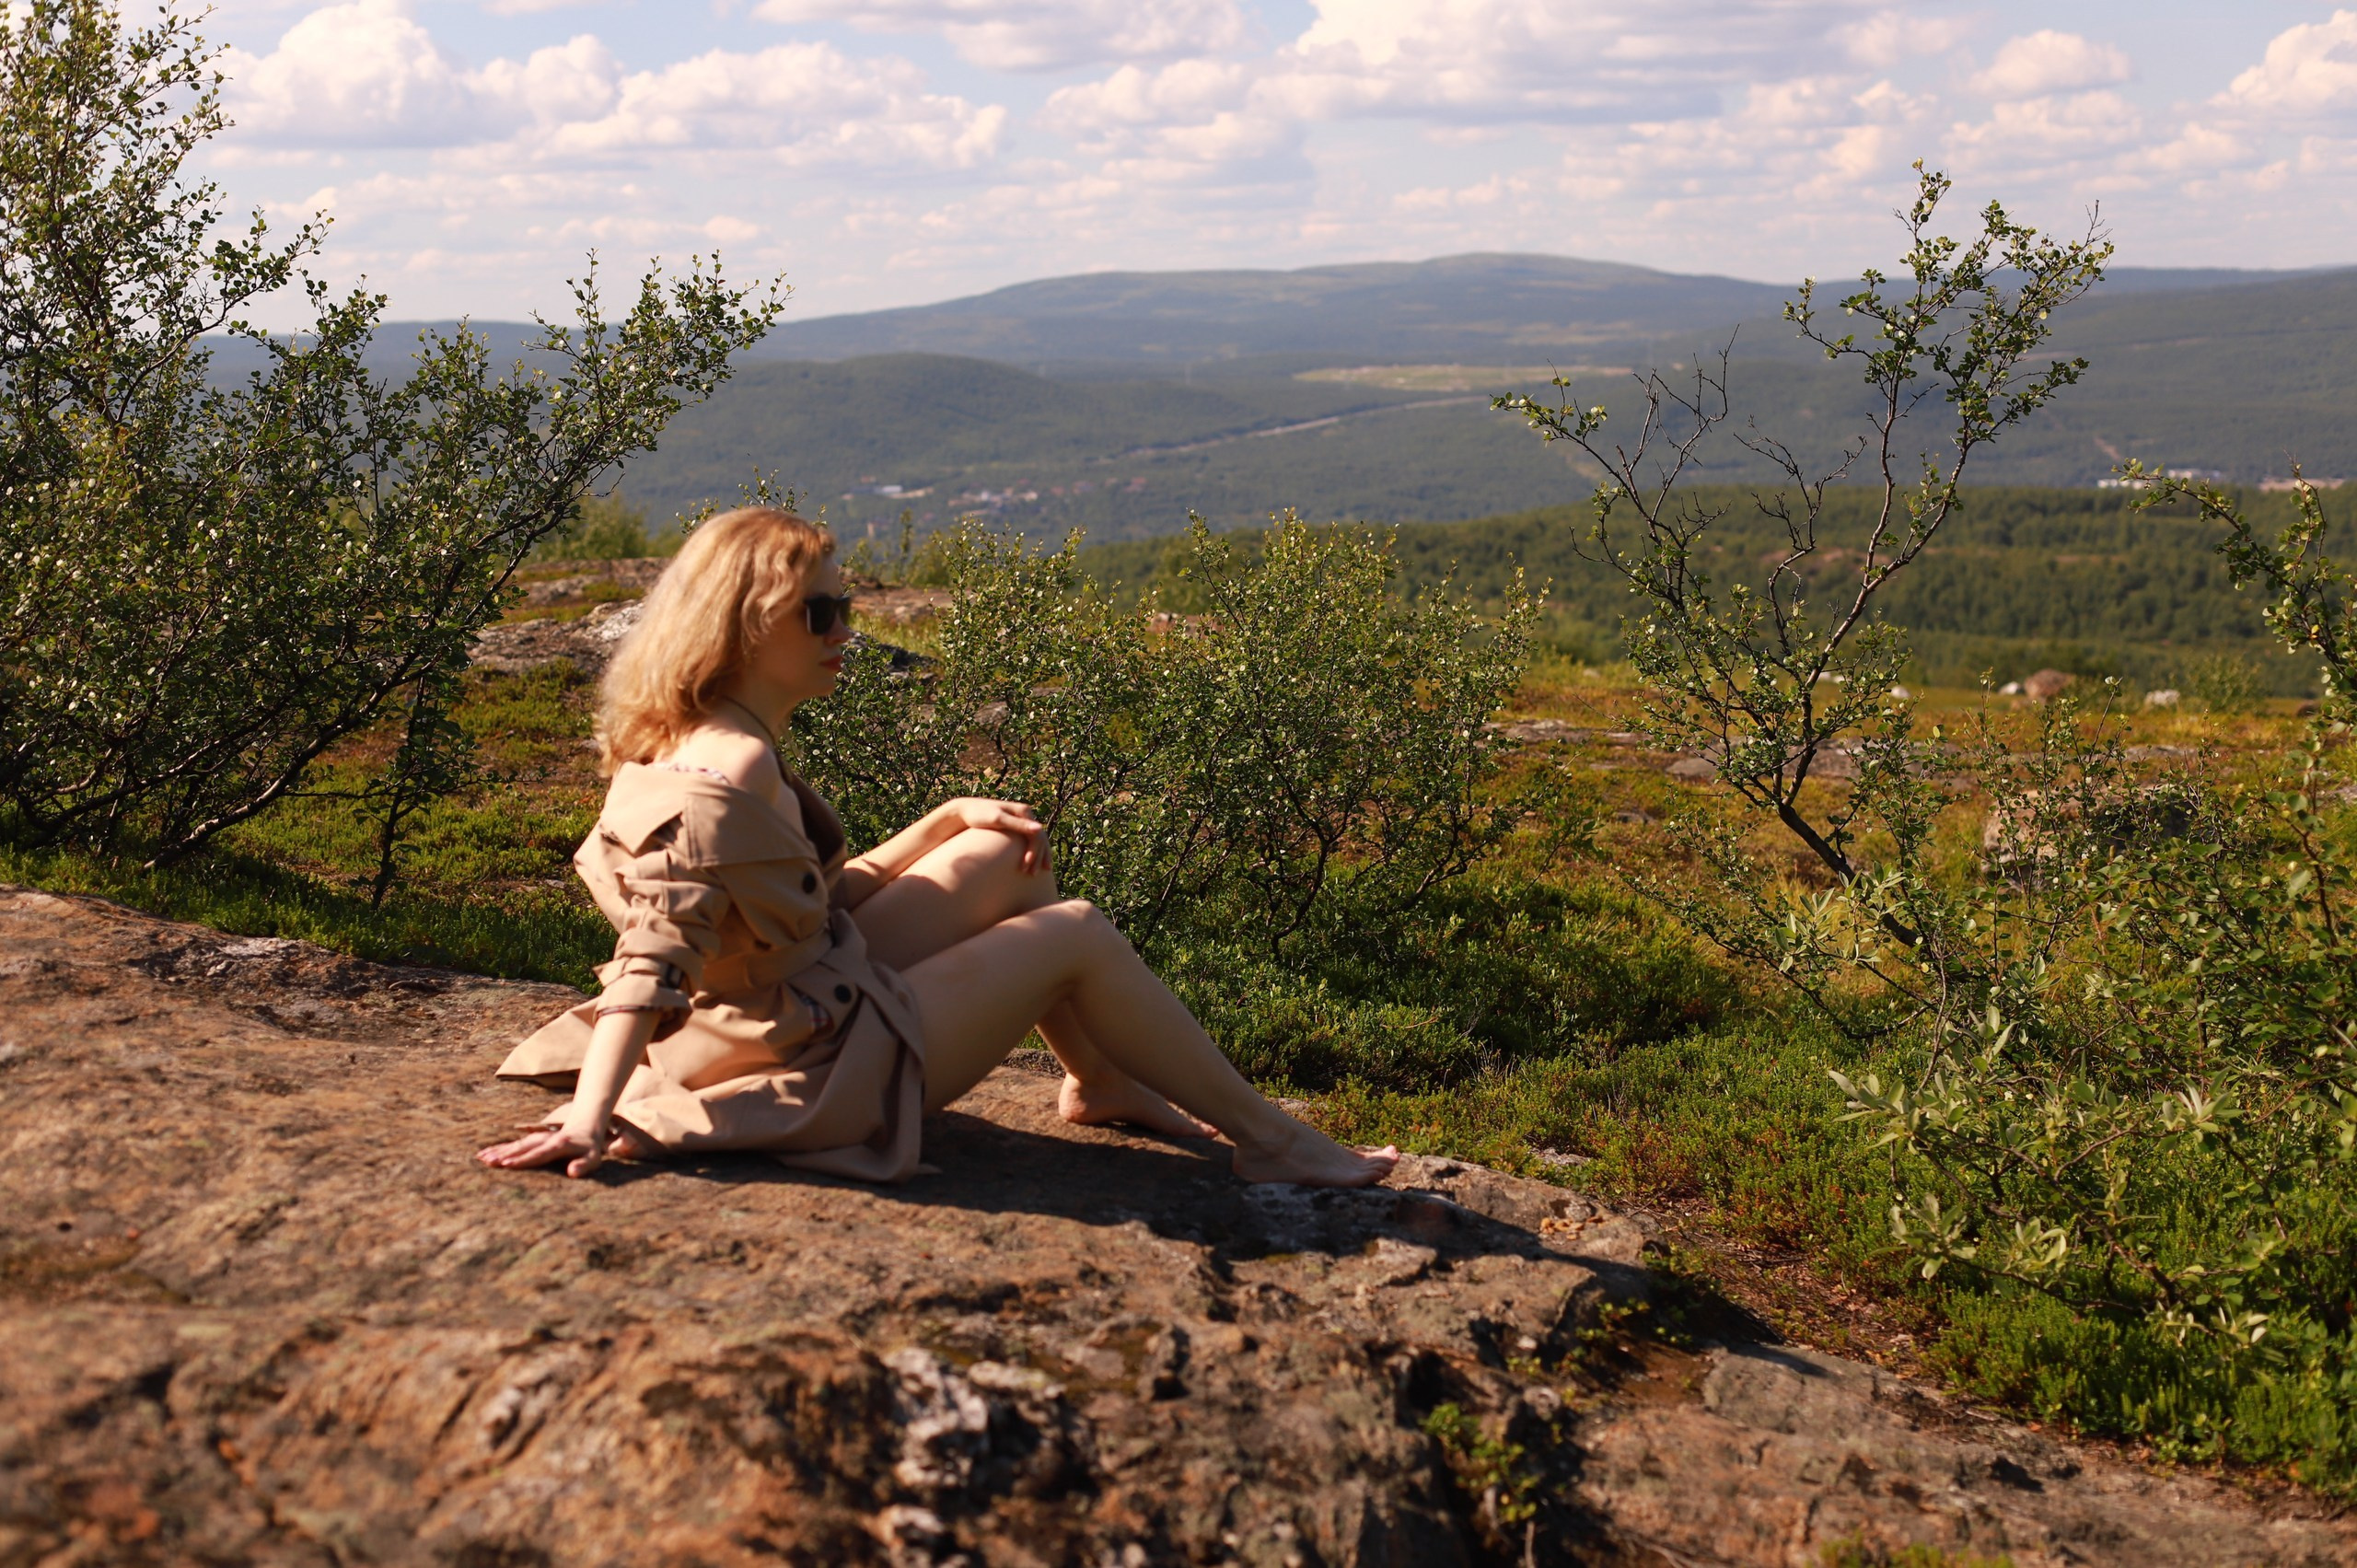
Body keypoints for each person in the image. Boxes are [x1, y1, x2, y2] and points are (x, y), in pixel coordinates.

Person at [476, 506, 1399, 1189]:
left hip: (785, 996)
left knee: (1003, 853)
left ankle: (1103, 1077)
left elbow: (801, 908)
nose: (847, 634)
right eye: (821, 614)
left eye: (846, 607)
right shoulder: (734, 762)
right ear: (749, 624)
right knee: (1071, 931)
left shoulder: (683, 726)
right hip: (812, 1057)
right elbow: (653, 954)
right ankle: (1270, 1140)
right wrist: (592, 1120)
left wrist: (943, 821)